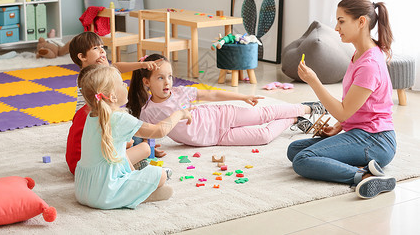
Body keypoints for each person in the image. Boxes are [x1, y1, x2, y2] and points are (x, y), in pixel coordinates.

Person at [288, 0, 397, 199]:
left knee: (303, 160)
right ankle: (362, 165)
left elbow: (344, 110)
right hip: (363, 133)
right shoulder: (360, 53)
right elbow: (360, 106)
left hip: (376, 140)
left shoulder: (369, 64)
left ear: (361, 22)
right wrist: (339, 127)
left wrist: (314, 81)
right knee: (294, 150)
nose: (336, 28)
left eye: (341, 21)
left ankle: (364, 176)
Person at [127, 54, 326, 147]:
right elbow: (147, 135)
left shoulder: (180, 93)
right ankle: (293, 120)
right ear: (146, 82)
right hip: (216, 139)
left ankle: (306, 108)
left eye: (169, 76)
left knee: (261, 115)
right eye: (160, 78)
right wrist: (150, 150)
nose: (167, 82)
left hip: (221, 116)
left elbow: (212, 95)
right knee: (263, 136)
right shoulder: (148, 111)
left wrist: (244, 96)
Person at [75, 65, 192, 209]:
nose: (126, 85)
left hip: (83, 190)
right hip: (105, 194)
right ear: (112, 96)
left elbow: (118, 150)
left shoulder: (92, 116)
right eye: (122, 83)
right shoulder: (119, 118)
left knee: (138, 150)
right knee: (160, 174)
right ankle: (135, 195)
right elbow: (159, 131)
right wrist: (180, 113)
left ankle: (134, 189)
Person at [66, 31, 164, 176]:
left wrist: (142, 64)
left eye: (102, 47)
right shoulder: (88, 77)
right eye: (95, 48)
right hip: (95, 121)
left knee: (137, 136)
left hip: (100, 125)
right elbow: (114, 68)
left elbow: (116, 67)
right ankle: (135, 155)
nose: (102, 51)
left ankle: (140, 149)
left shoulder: (99, 73)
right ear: (82, 57)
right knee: (136, 139)